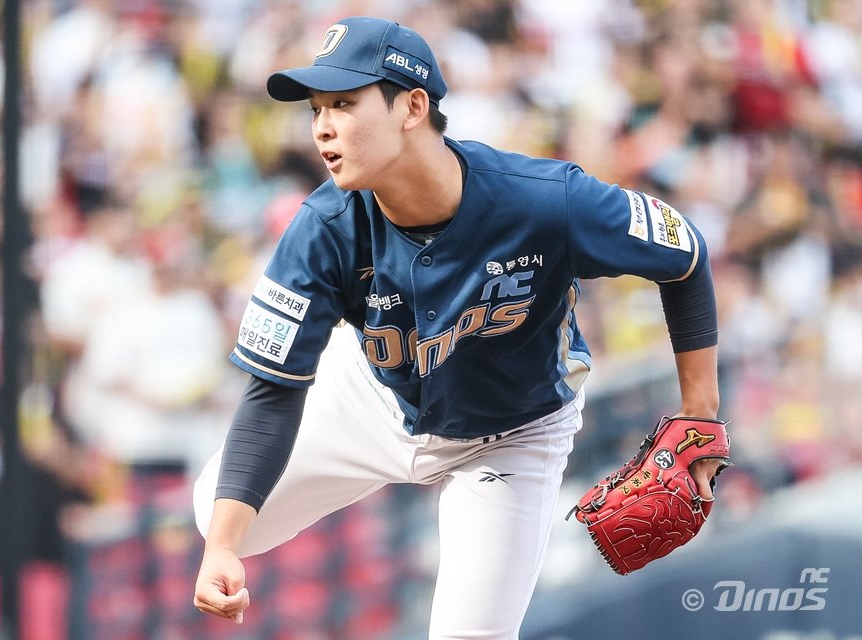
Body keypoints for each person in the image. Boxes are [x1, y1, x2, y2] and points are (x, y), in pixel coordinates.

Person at [192, 16, 723, 639]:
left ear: (412, 106)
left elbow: (684, 252)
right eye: (316, 109)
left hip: (511, 432)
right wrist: (220, 549)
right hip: (369, 396)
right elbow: (272, 392)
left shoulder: (545, 201)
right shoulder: (323, 227)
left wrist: (701, 414)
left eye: (343, 103)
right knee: (218, 513)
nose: (322, 127)